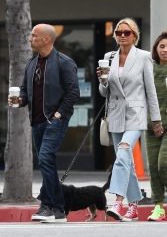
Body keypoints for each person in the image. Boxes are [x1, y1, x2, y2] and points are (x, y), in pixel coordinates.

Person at [8, 23, 80, 222]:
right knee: (46, 162)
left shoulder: (64, 62)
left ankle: (47, 205)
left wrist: (59, 114)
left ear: (46, 39)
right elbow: (24, 91)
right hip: (36, 121)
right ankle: (59, 209)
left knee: (45, 158)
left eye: (33, 36)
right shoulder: (32, 64)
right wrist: (20, 100)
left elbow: (74, 92)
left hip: (54, 121)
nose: (30, 39)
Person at [96, 17, 164, 222]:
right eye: (119, 33)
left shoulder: (144, 57)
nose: (122, 36)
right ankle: (134, 205)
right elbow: (103, 93)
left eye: (127, 33)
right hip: (116, 114)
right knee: (125, 161)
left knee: (124, 151)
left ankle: (117, 201)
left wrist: (156, 120)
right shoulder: (109, 57)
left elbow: (150, 92)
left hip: (136, 113)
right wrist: (103, 80)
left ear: (135, 35)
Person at [146, 32, 167, 221]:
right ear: (156, 48)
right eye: (162, 46)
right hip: (151, 125)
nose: (165, 50)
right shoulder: (149, 69)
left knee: (163, 165)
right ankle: (159, 208)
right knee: (153, 167)